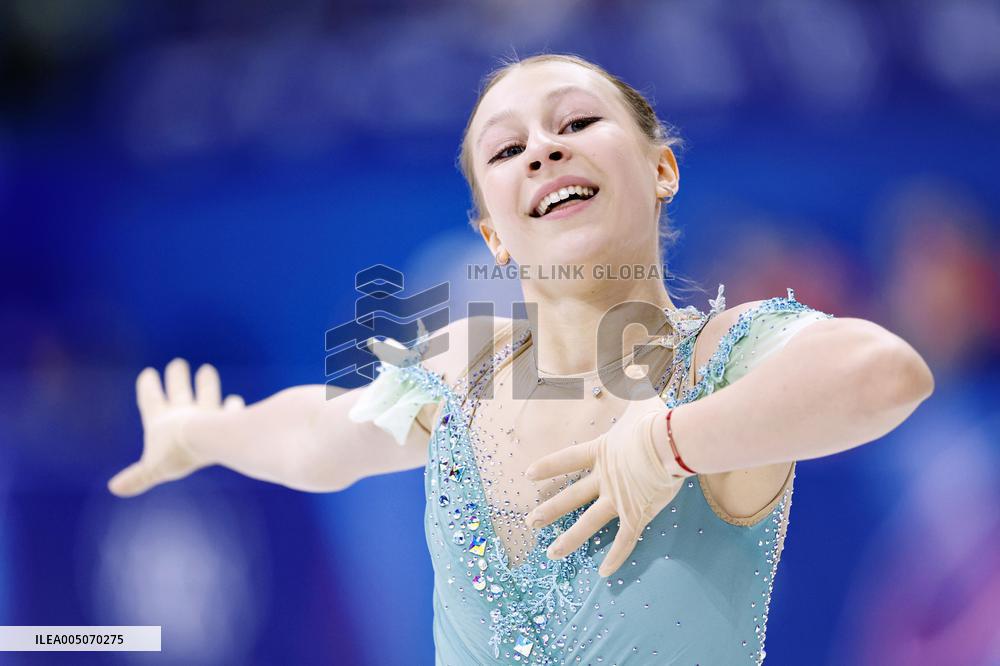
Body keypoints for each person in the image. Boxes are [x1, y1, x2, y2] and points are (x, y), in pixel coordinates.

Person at [108, 53, 935, 665]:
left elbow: (887, 372)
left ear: (661, 169)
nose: (544, 149)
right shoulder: (465, 373)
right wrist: (207, 433)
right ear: (494, 235)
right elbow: (320, 437)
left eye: (577, 123)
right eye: (508, 150)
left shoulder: (718, 358)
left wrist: (671, 443)